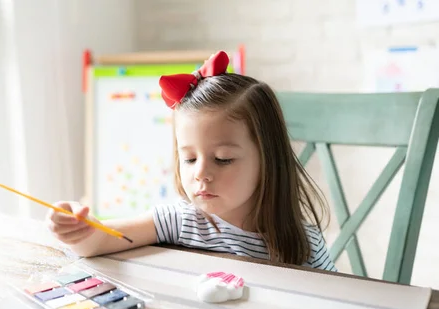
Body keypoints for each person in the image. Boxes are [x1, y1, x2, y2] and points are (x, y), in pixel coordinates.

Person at [46, 50, 336, 272]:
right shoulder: (181, 221)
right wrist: (81, 229)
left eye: (222, 159)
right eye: (189, 158)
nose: (201, 173)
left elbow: (340, 308)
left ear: (268, 160)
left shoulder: (304, 248)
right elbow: (100, 242)